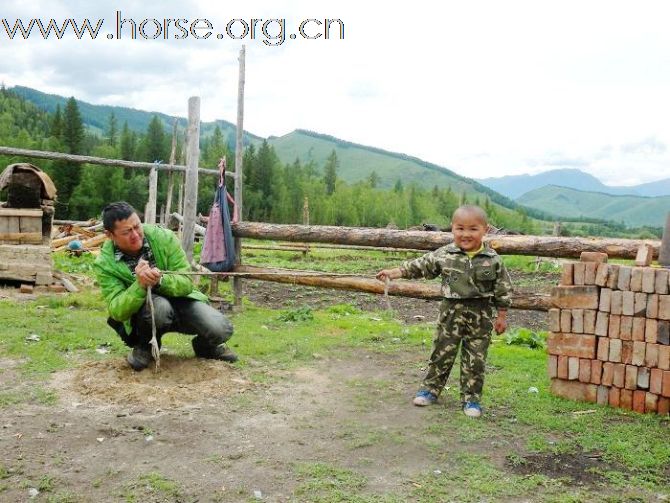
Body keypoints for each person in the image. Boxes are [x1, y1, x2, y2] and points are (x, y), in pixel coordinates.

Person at [376, 205, 512, 417]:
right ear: (452, 229)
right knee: (442, 352)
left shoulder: (493, 260)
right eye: (460, 228)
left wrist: (502, 316)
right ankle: (430, 390)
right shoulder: (445, 254)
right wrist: (394, 272)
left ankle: (472, 400)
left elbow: (502, 289)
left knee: (475, 359)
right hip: (450, 313)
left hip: (480, 316)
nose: (466, 234)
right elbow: (420, 266)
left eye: (473, 229)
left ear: (485, 230)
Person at [94, 201, 237, 371]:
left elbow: (186, 282)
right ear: (109, 235)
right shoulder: (104, 263)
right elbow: (117, 310)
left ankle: (204, 347)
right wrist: (139, 285)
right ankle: (145, 346)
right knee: (160, 307)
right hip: (146, 314)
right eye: (126, 232)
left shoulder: (164, 237)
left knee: (221, 329)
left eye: (137, 226)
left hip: (182, 301)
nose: (135, 234)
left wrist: (160, 280)